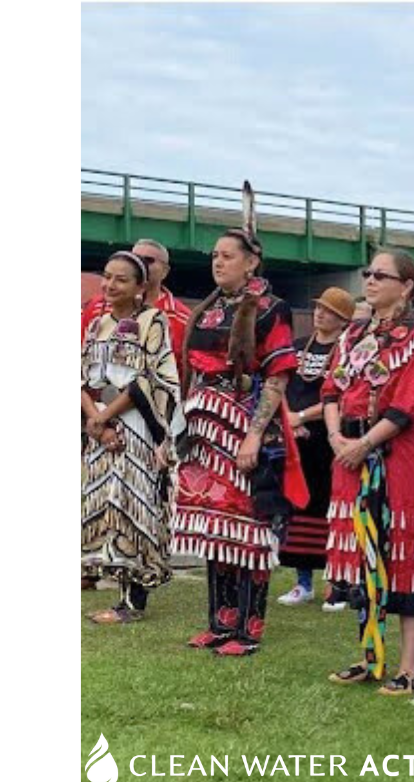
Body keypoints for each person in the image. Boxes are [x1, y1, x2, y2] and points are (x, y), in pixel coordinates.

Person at [170, 184, 309, 657]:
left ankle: (248, 628)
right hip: (204, 428)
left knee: (248, 528)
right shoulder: (208, 311)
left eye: (228, 255)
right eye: (214, 255)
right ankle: (219, 620)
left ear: (251, 261)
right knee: (214, 525)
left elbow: (276, 377)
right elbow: (192, 373)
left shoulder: (270, 309)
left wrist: (253, 437)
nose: (218, 262)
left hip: (245, 426)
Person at [324, 248, 414, 697]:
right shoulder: (352, 334)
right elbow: (332, 388)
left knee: (401, 557)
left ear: (406, 286)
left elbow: (409, 405)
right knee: (360, 552)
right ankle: (369, 655)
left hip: (395, 459)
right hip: (349, 457)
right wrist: (338, 438)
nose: (370, 281)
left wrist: (364, 443)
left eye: (380, 275)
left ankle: (409, 667)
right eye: (367, 273)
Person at [80, 250, 187, 622]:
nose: (109, 285)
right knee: (106, 506)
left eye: (121, 279)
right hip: (101, 427)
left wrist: (106, 417)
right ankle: (117, 590)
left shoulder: (151, 320)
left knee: (133, 504)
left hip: (137, 424)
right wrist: (96, 419)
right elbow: (82, 376)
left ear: (141, 287)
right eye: (106, 277)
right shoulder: (97, 324)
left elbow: (148, 378)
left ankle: (133, 601)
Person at [276, 287, 355, 606]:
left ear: (343, 320)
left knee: (332, 510)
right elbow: (277, 383)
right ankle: (303, 582)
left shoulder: (347, 352)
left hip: (329, 441)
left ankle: (336, 583)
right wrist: (288, 419)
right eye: (319, 308)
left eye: (329, 311)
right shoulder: (296, 347)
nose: (320, 314)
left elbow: (341, 396)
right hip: (296, 440)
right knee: (298, 506)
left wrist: (303, 417)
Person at [81, 238, 193, 381]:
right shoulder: (97, 306)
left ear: (165, 271)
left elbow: (184, 374)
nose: (139, 263)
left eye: (149, 260)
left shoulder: (183, 319)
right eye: (134, 258)